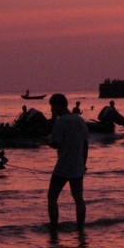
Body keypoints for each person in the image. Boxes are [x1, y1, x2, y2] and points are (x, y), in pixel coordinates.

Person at [47, 93, 89, 231]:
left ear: (58, 106)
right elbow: (85, 143)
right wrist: (83, 163)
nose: (52, 110)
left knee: (52, 197)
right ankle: (80, 227)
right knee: (78, 199)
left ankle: (54, 227)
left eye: (52, 107)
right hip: (77, 166)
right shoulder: (80, 120)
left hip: (63, 167)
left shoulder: (60, 121)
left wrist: (47, 141)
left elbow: (56, 144)